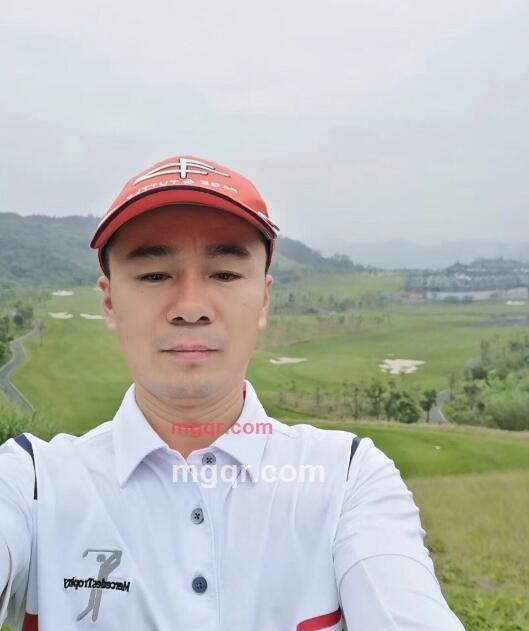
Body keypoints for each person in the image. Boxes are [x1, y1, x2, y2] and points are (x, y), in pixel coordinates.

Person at [0, 155, 466, 630]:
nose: (190, 308)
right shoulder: (31, 483)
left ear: (263, 298)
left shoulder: (348, 478)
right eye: (154, 274)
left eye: (224, 273)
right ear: (109, 302)